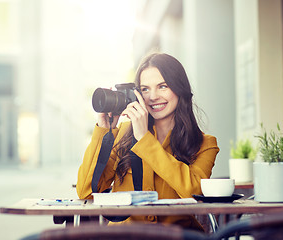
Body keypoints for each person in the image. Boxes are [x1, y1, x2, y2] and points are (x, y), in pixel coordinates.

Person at [76, 52, 219, 231]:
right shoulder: (122, 134)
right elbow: (85, 191)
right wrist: (103, 131)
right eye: (145, 89)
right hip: (126, 235)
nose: (153, 97)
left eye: (163, 86)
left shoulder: (205, 144)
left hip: (178, 236)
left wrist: (145, 140)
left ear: (179, 88)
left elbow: (195, 192)